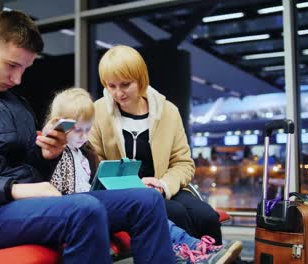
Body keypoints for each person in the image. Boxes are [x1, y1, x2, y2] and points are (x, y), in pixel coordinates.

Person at [0, 10, 176, 263]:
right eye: (12, 65)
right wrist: (14, 189)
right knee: (84, 210)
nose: (17, 79)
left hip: (26, 209)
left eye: (24, 69)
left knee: (146, 201)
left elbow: (26, 168)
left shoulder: (16, 103)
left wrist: (46, 156)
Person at [47, 87, 242, 264]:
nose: (83, 136)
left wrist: (138, 182)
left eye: (87, 130)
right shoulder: (55, 153)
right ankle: (191, 249)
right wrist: (55, 136)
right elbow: (56, 190)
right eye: (77, 130)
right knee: (154, 209)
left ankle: (195, 248)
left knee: (157, 207)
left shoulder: (85, 152)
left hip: (95, 204)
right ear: (60, 125)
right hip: (77, 210)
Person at [88, 45, 222, 244]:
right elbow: (95, 164)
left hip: (164, 187)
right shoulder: (97, 112)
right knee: (175, 213)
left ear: (141, 80)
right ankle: (194, 256)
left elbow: (183, 163)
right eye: (111, 86)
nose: (118, 93)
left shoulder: (168, 111)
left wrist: (163, 185)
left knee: (208, 217)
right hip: (126, 195)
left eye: (125, 84)